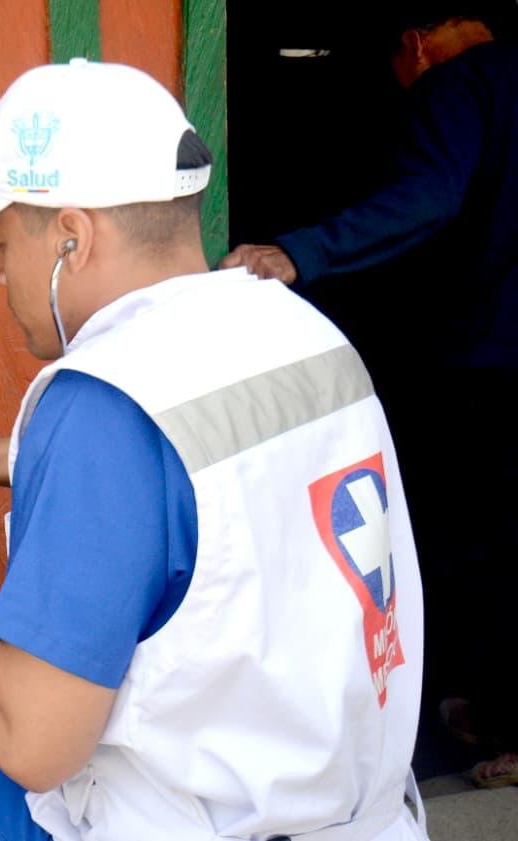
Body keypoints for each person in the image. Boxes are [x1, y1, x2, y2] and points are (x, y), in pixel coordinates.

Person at [0, 59, 429, 840]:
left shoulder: (101, 399)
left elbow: (35, 746)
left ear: (72, 237)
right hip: (363, 816)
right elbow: (178, 481)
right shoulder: (303, 333)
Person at [221, 5, 518, 786]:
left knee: (491, 542)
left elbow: (429, 196)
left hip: (498, 363)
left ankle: (505, 722)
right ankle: (495, 708)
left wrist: (300, 252)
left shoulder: (460, 83)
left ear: (415, 46)